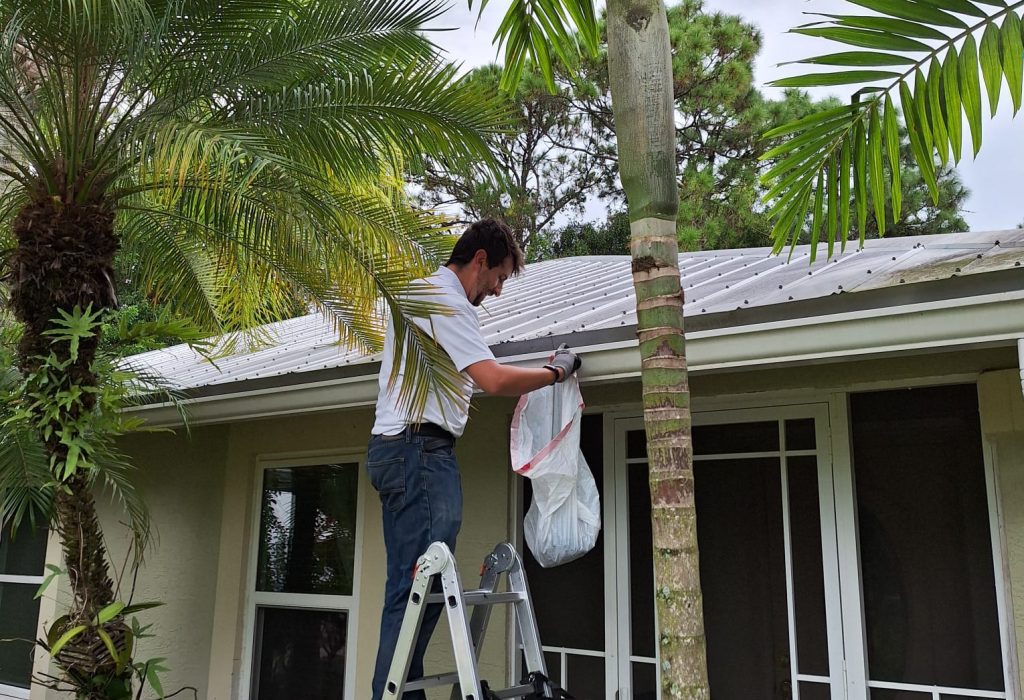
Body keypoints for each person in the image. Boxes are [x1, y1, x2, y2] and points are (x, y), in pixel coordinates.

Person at [367, 218, 581, 700]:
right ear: (479, 259)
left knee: (413, 586)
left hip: (399, 450)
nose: (499, 290)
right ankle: (395, 694)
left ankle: (403, 690)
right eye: (499, 277)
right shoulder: (448, 302)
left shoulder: (421, 296)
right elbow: (493, 380)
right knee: (417, 587)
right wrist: (554, 372)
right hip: (418, 451)